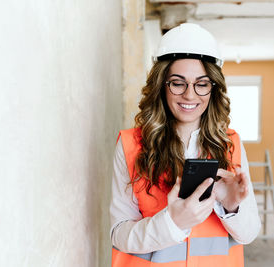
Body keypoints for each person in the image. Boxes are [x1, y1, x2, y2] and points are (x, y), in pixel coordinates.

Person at [110, 23, 261, 267]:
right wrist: (173, 222)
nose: (190, 95)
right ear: (162, 85)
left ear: (213, 88)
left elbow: (249, 233)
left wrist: (231, 206)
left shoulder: (230, 143)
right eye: (178, 83)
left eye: (201, 84)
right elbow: (119, 234)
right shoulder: (130, 145)